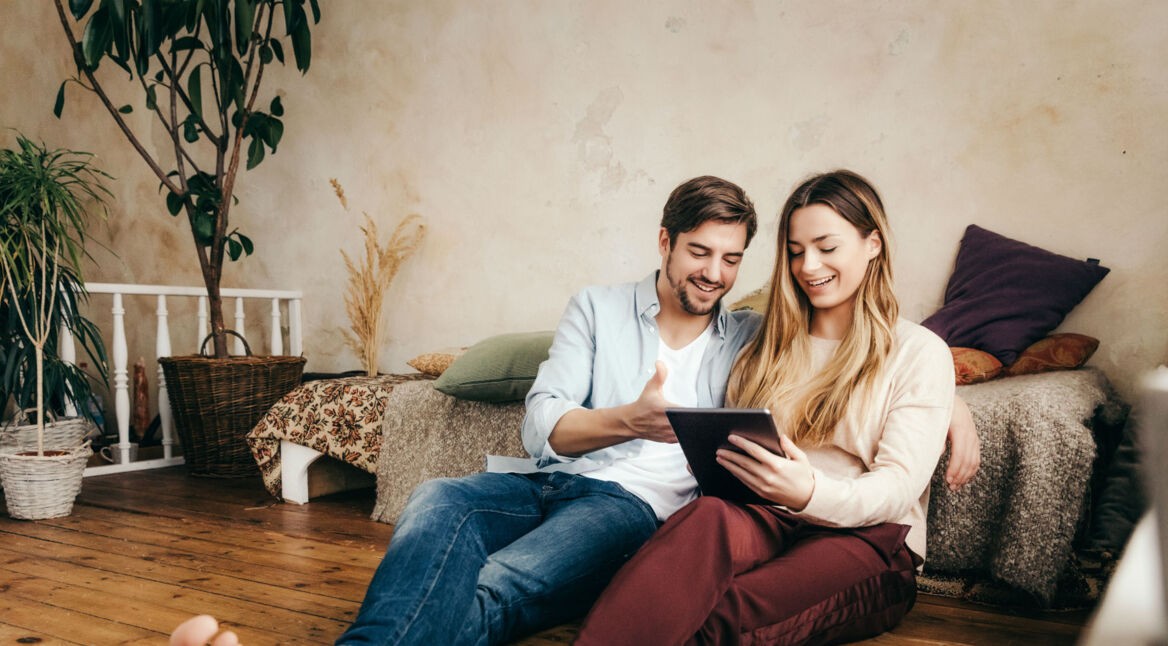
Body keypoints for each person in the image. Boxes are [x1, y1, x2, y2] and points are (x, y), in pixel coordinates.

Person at [336, 175, 764, 645]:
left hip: (629, 510)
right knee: (437, 499)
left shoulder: (751, 336)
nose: (714, 273)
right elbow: (541, 423)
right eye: (699, 252)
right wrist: (629, 420)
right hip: (544, 482)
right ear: (665, 241)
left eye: (732, 259)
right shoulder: (598, 307)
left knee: (495, 585)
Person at [575, 169, 957, 645]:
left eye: (827, 247)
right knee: (704, 517)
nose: (808, 266)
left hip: (868, 537)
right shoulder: (764, 342)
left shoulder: (918, 351)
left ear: (873, 244)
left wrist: (809, 492)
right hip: (765, 514)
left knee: (720, 612)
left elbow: (897, 489)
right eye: (795, 252)